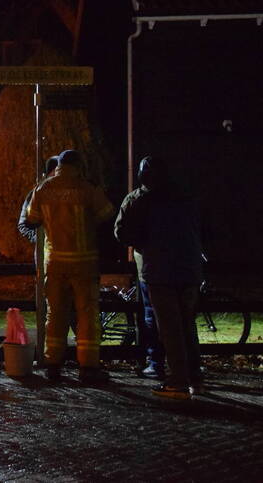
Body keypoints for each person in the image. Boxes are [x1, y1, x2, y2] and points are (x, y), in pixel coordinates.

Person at [114, 156, 204, 400]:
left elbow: (122, 232)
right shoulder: (186, 196)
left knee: (170, 328)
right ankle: (195, 377)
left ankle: (178, 381)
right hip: (190, 269)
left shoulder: (139, 199)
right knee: (188, 325)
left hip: (159, 271)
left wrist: (144, 242)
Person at [26, 149, 115, 383]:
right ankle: (88, 367)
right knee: (87, 314)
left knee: (55, 313)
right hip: (84, 263)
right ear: (79, 165)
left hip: (54, 263)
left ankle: (53, 364)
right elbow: (107, 213)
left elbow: (31, 219)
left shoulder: (43, 188)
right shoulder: (87, 188)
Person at [18, 155, 59, 244]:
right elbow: (23, 225)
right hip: (45, 254)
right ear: (49, 173)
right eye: (55, 172)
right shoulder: (35, 194)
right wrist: (39, 239)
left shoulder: (68, 193)